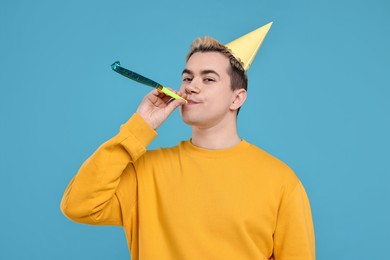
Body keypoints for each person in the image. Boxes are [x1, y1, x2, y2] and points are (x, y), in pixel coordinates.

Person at [61, 23, 315, 260]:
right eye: (187, 78)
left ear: (237, 99)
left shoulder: (281, 181)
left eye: (208, 79)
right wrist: (140, 127)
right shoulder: (146, 172)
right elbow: (78, 205)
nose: (192, 86)